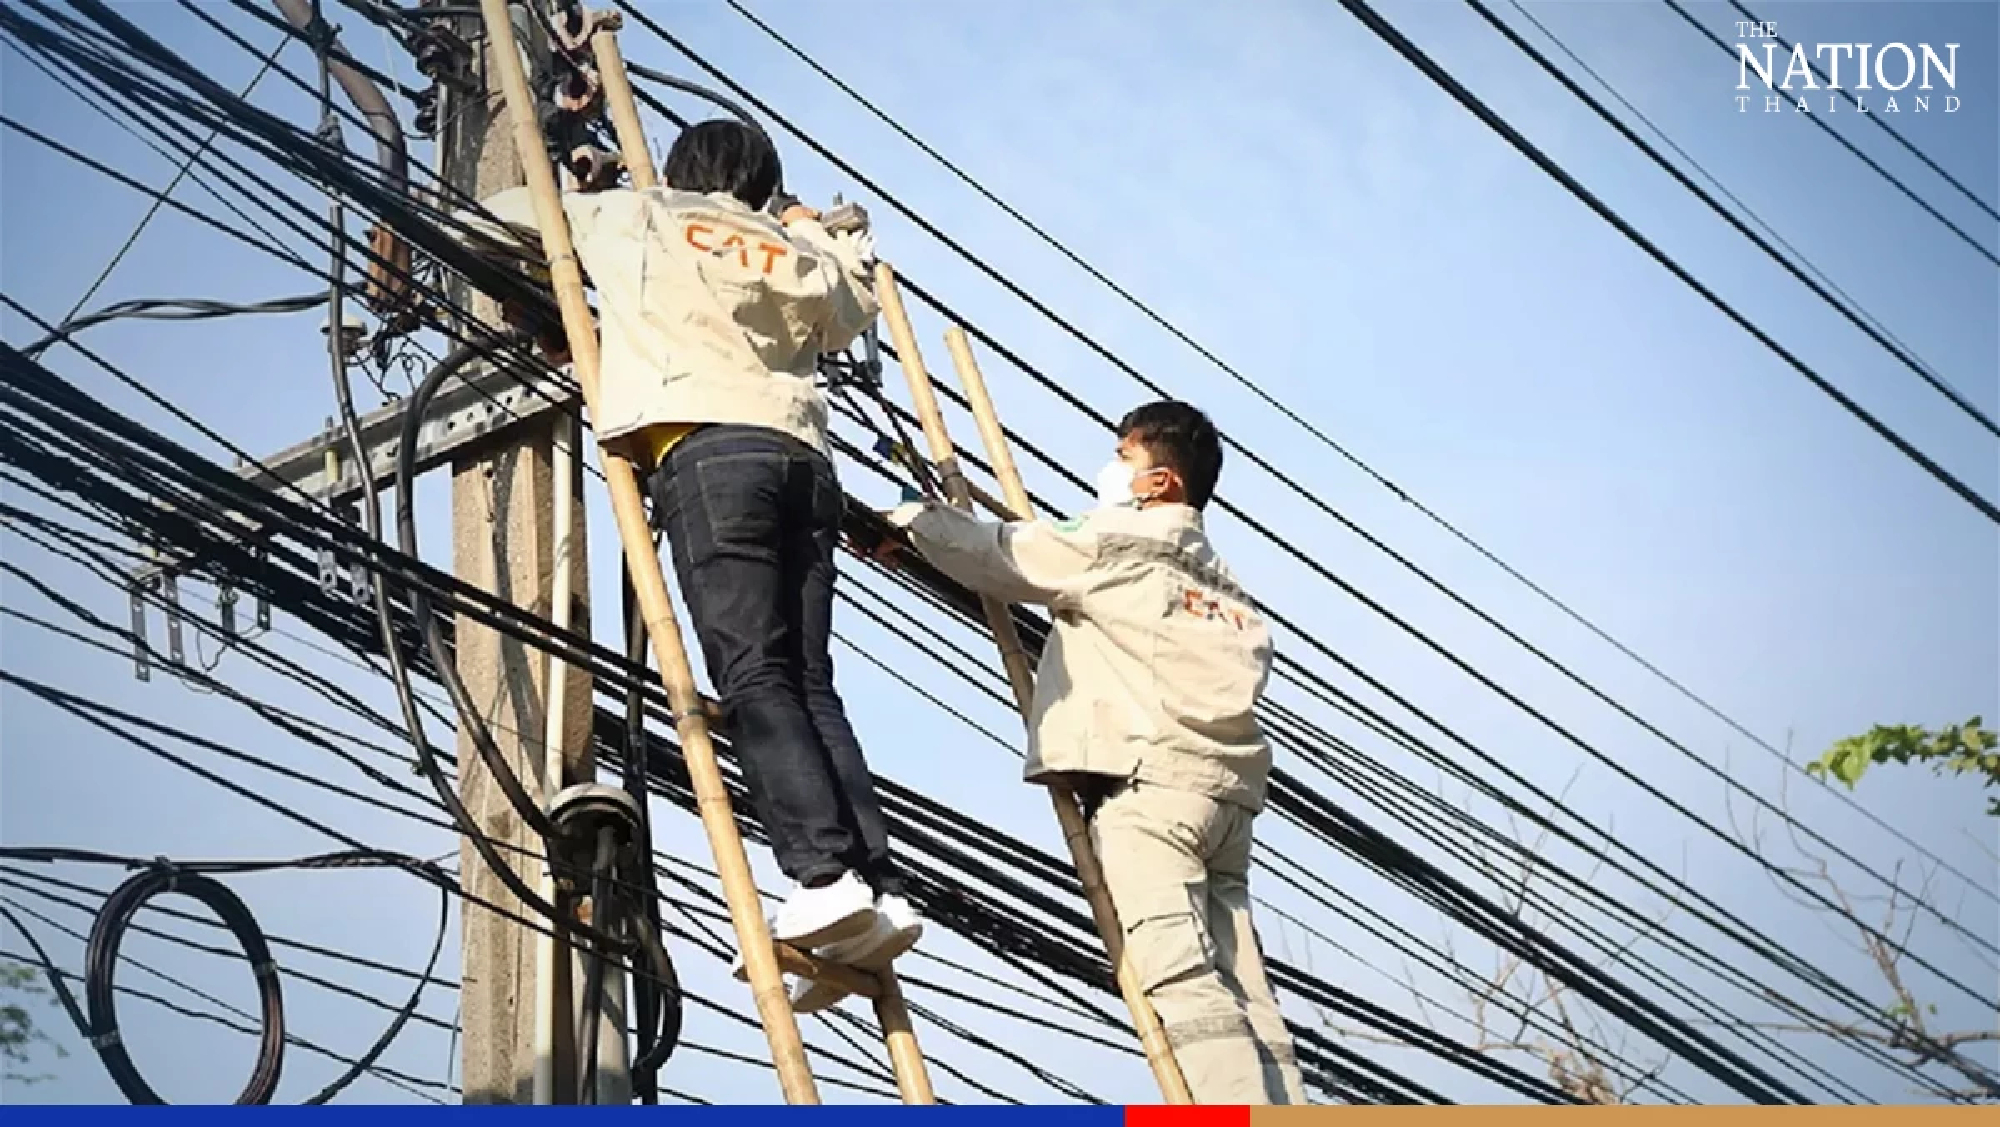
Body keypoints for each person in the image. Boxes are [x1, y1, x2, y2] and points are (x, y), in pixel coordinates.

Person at [465, 120, 923, 986]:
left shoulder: (637, 214)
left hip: (709, 453)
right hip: (805, 463)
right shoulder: (792, 247)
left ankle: (823, 877)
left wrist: (579, 204)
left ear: (680, 169)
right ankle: (880, 884)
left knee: (753, 676)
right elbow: (856, 292)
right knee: (806, 680)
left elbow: (493, 216)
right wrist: (812, 222)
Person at [885, 401, 1305, 1103]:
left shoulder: (1122, 541)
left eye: (1124, 457)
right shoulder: (1227, 587)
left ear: (1161, 482)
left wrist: (910, 521)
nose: (1112, 470)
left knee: (1184, 984)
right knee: (1249, 996)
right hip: (1227, 803)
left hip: (1150, 792)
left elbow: (1000, 554)